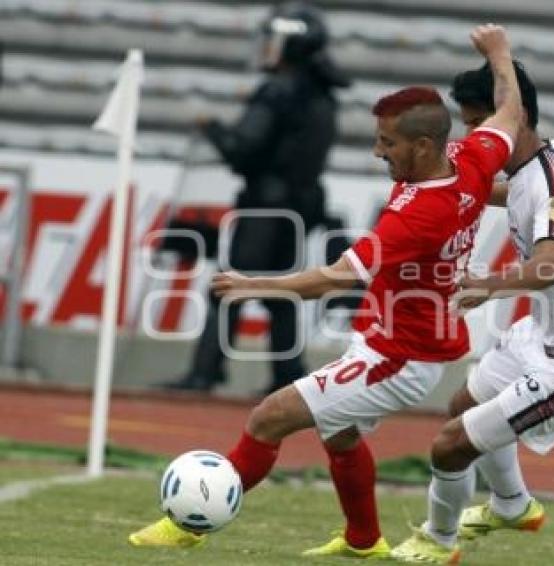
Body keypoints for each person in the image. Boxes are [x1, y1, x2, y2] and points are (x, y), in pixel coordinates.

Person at [128, 24, 524, 560]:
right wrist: (500, 56)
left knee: (269, 416)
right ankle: (364, 540)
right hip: (397, 340)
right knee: (338, 436)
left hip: (400, 354)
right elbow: (509, 115)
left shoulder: (418, 215)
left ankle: (190, 524)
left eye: (388, 142)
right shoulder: (472, 158)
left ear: (425, 146)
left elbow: (336, 277)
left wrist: (252, 284)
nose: (378, 151)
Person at [390, 61, 554, 564]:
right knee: (462, 407)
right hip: (543, 333)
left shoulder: (551, 181)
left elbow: (549, 266)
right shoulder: (536, 166)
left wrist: (488, 286)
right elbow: (504, 194)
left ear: (511, 118)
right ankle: (511, 504)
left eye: (477, 122)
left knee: (449, 446)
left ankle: (438, 542)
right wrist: (452, 194)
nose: (472, 135)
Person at [164, 2, 351, 394]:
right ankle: (287, 377)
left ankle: (204, 372)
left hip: (265, 208)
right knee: (280, 294)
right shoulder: (323, 96)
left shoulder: (278, 91)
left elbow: (244, 147)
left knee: (231, 288)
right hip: (299, 207)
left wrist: (211, 128)